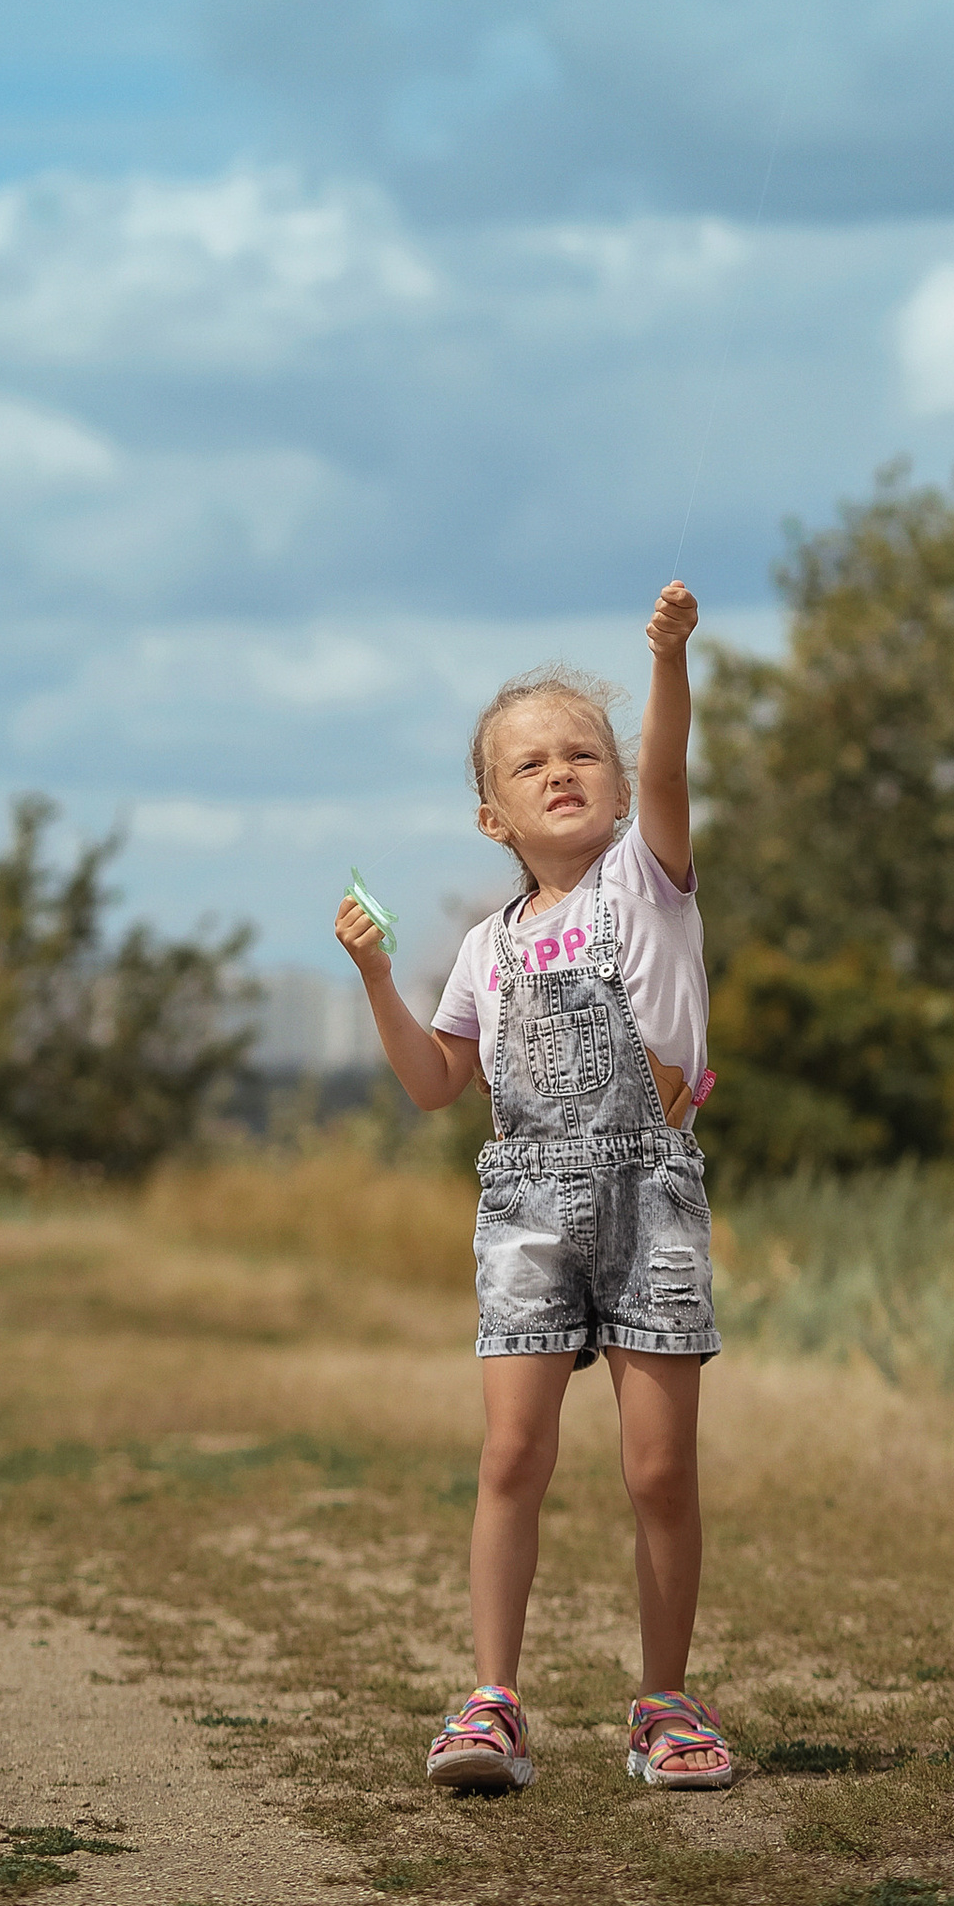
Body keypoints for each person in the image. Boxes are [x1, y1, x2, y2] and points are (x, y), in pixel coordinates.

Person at [333, 580, 733, 1798]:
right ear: (489, 814)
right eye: (528, 765)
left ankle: (663, 1704)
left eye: (584, 754)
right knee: (513, 1455)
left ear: (619, 784)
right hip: (522, 1208)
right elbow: (435, 1083)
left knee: (658, 1471)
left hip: (647, 1197)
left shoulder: (646, 884)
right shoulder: (486, 945)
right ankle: (493, 1701)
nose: (561, 771)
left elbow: (669, 769)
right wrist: (375, 978)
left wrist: (666, 663)